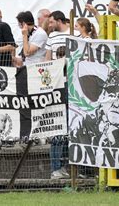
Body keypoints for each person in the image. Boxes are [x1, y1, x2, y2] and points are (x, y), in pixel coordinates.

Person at [45, 11, 70, 179]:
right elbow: (47, 60)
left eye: (52, 22)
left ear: (59, 21)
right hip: (57, 85)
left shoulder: (73, 33)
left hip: (72, 85)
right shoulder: (51, 37)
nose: (49, 25)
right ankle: (55, 167)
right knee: (57, 127)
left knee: (70, 128)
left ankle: (66, 166)